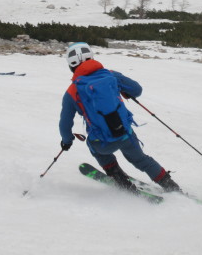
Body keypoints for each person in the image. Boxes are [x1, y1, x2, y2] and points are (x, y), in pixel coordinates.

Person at [58, 42, 180, 194]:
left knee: (92, 145)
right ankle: (172, 187)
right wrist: (124, 90)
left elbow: (65, 124)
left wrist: (67, 141)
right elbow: (137, 90)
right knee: (141, 160)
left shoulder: (71, 92)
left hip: (102, 142)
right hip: (125, 133)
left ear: (71, 66)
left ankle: (120, 180)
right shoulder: (110, 75)